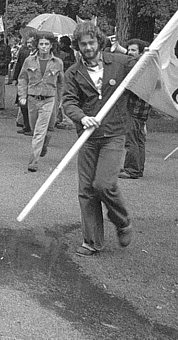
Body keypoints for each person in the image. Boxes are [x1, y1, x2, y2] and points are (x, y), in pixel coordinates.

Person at [63, 21, 134, 256]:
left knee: (103, 184)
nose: (88, 47)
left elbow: (147, 64)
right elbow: (69, 102)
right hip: (87, 136)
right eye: (83, 44)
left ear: (100, 42)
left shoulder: (120, 64)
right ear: (78, 46)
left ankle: (122, 221)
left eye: (92, 42)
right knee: (86, 189)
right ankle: (92, 241)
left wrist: (123, 50)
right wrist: (82, 118)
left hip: (113, 133)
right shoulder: (73, 73)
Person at [18, 31, 64, 172]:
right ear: (37, 45)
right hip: (32, 98)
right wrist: (22, 96)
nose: (44, 47)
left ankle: (33, 162)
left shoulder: (58, 63)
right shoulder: (29, 61)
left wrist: (60, 100)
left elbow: (61, 83)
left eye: (47, 44)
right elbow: (22, 78)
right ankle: (42, 146)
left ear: (51, 46)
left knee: (42, 130)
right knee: (35, 129)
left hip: (49, 99)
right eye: (41, 44)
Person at [119, 39, 151, 179]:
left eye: (133, 50)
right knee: (138, 139)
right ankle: (138, 168)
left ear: (140, 52)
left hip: (135, 107)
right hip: (141, 108)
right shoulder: (148, 65)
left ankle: (131, 169)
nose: (130, 53)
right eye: (129, 50)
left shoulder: (140, 66)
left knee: (131, 139)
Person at [12, 35, 36, 135]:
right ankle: (26, 125)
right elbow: (18, 64)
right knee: (22, 104)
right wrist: (14, 78)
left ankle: (31, 127)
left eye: (31, 42)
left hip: (33, 83)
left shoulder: (39, 55)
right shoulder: (24, 52)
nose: (29, 44)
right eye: (28, 43)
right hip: (23, 81)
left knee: (31, 106)